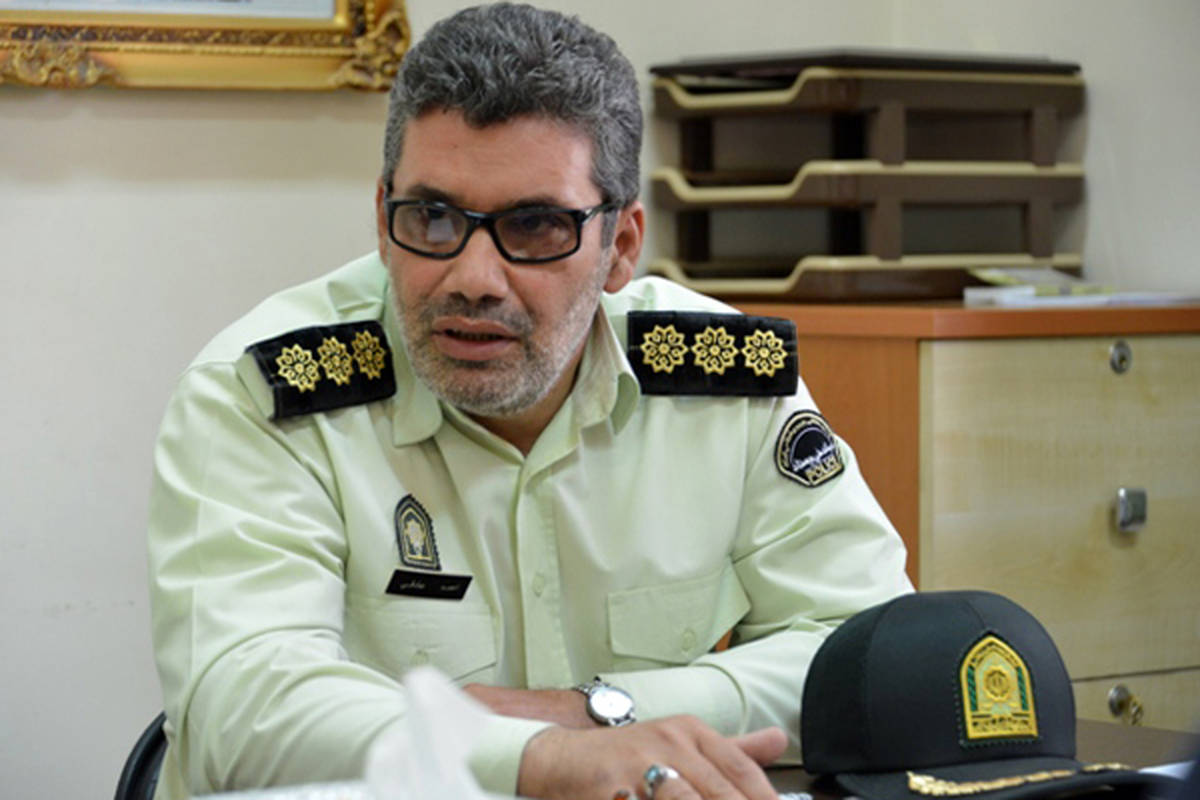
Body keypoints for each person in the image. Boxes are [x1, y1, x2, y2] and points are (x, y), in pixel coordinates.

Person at [146, 4, 912, 800]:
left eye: (537, 226)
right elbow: (239, 711)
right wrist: (541, 760)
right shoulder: (262, 394)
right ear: (381, 219)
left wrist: (595, 711)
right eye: (433, 218)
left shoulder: (722, 383)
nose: (474, 278)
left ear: (620, 248)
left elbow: (877, 661)